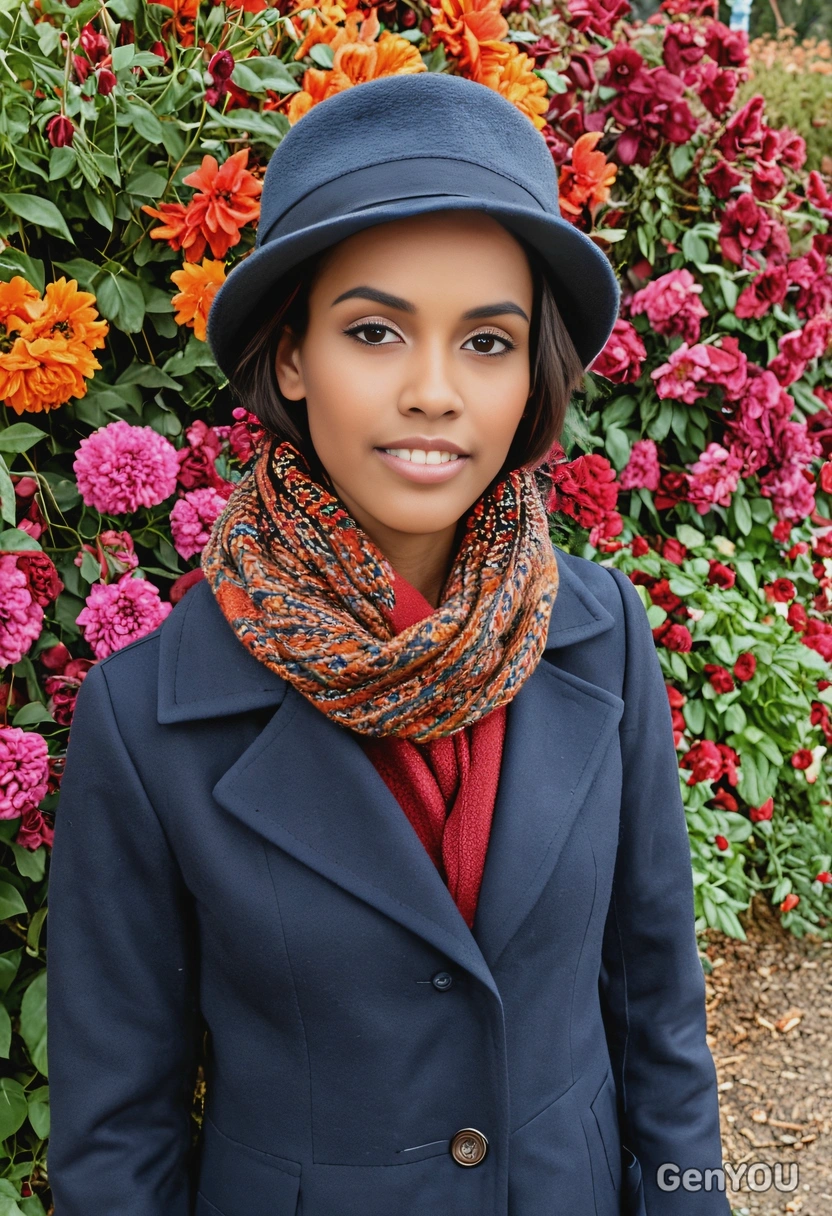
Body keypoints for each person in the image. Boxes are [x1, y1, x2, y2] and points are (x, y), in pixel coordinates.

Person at [45, 72, 730, 1216]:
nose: (433, 392)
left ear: (530, 372)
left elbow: (655, 1014)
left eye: (486, 341)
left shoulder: (602, 639)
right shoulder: (148, 715)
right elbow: (118, 1135)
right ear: (294, 353)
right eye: (374, 331)